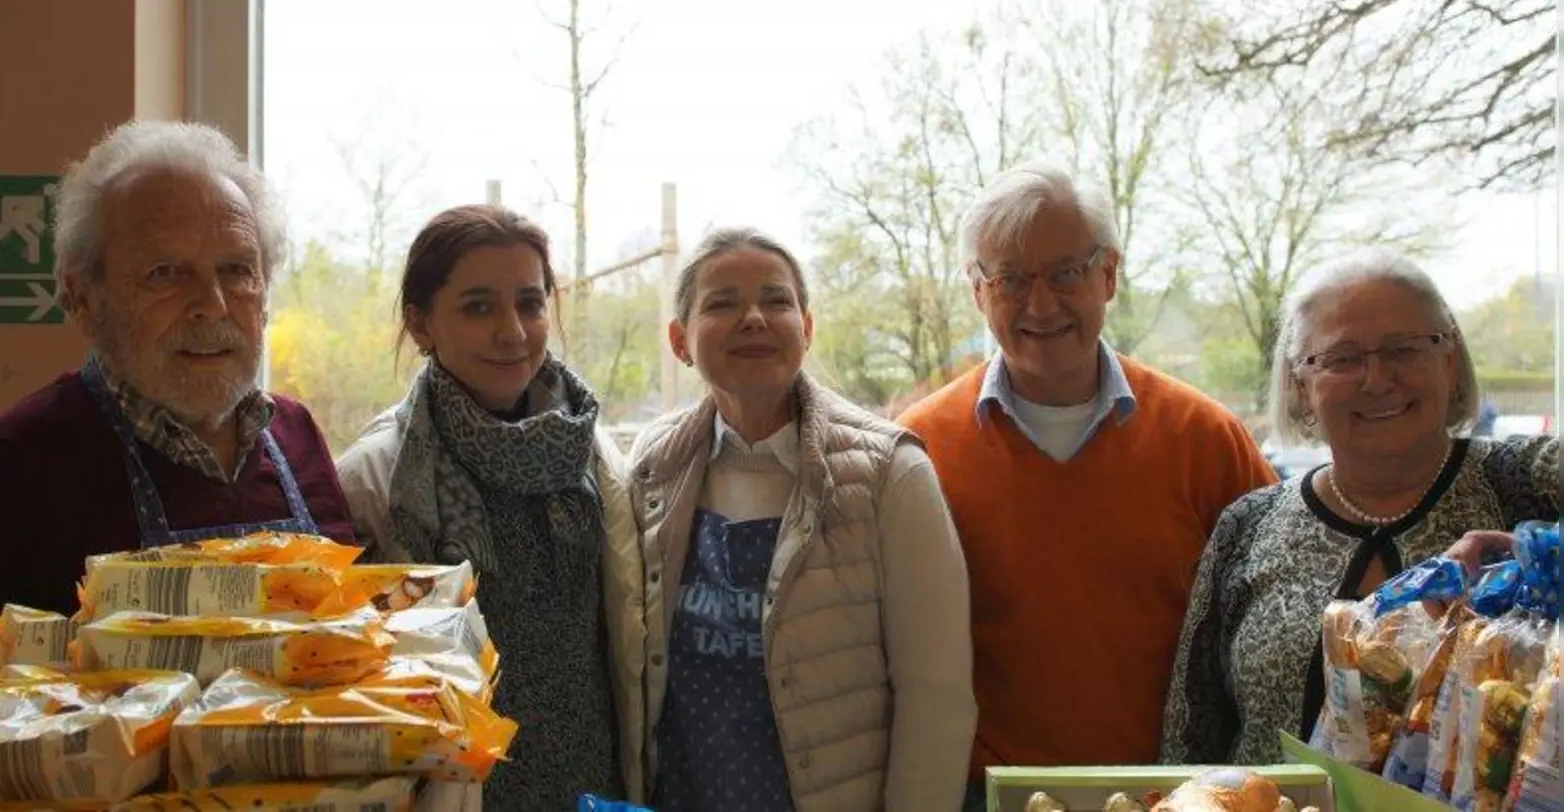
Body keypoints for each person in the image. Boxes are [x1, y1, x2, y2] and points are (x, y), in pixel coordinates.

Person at [895, 162, 1276, 806]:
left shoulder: (1205, 437)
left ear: (1109, 275)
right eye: (1011, 279)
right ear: (977, 290)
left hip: (1173, 793)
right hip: (988, 797)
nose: (1041, 305)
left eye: (1066, 273)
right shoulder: (918, 451)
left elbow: (1272, 615)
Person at [0, 121, 354, 686]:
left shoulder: (296, 436)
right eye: (165, 274)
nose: (211, 305)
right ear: (82, 299)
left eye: (237, 270)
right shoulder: (6, 467)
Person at [1160, 248, 1560, 766]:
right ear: (1302, 387)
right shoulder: (1248, 527)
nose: (1376, 379)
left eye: (1403, 349)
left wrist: (1545, 552)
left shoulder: (1530, 482)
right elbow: (1191, 734)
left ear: (1450, 361)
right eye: (1343, 358)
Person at [628, 228, 975, 812]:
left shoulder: (891, 474)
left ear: (807, 328)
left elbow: (936, 696)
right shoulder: (653, 466)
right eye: (722, 303)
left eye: (776, 300)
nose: (753, 318)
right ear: (679, 340)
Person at [335, 204, 645, 808]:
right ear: (420, 324)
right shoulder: (376, 480)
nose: (514, 332)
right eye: (479, 308)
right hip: (460, 791)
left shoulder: (589, 452)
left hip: (591, 784)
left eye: (530, 303)